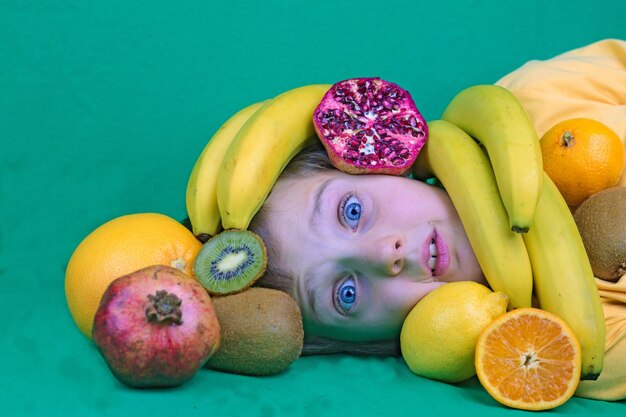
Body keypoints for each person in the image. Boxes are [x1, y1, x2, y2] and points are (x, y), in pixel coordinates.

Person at [246, 39, 626, 401]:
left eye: (352, 210)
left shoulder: (537, 99)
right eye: (347, 294)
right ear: (378, 342)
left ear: (378, 163)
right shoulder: (573, 348)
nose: (382, 253)